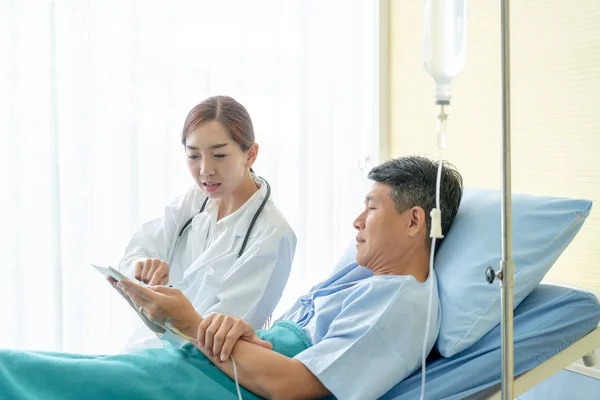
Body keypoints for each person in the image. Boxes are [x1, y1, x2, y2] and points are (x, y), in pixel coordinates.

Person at [0, 156, 463, 400]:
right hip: (229, 362)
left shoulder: (400, 306)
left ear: (414, 222)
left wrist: (190, 323)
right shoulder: (366, 279)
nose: (357, 222)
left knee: (32, 378)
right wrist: (232, 330)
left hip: (236, 385)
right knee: (48, 371)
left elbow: (292, 384)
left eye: (372, 207)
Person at [116, 95, 297, 349]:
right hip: (152, 349)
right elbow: (138, 250)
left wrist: (175, 317)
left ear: (251, 155)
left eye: (220, 155)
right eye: (193, 156)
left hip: (203, 370)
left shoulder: (273, 235)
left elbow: (225, 338)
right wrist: (142, 268)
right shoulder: (195, 200)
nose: (205, 170)